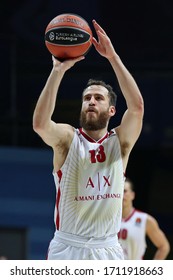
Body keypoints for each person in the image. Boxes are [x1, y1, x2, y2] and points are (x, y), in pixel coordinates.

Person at [33, 19, 144, 260]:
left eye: (98, 98)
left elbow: (137, 107)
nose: (91, 101)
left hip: (108, 249)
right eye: (87, 98)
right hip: (68, 247)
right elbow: (40, 124)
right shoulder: (67, 139)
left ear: (112, 110)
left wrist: (112, 57)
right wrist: (57, 70)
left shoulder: (121, 143)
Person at [118, 177, 170, 260]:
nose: (121, 195)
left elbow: (164, 246)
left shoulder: (145, 220)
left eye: (124, 191)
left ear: (132, 195)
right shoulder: (107, 218)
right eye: (119, 191)